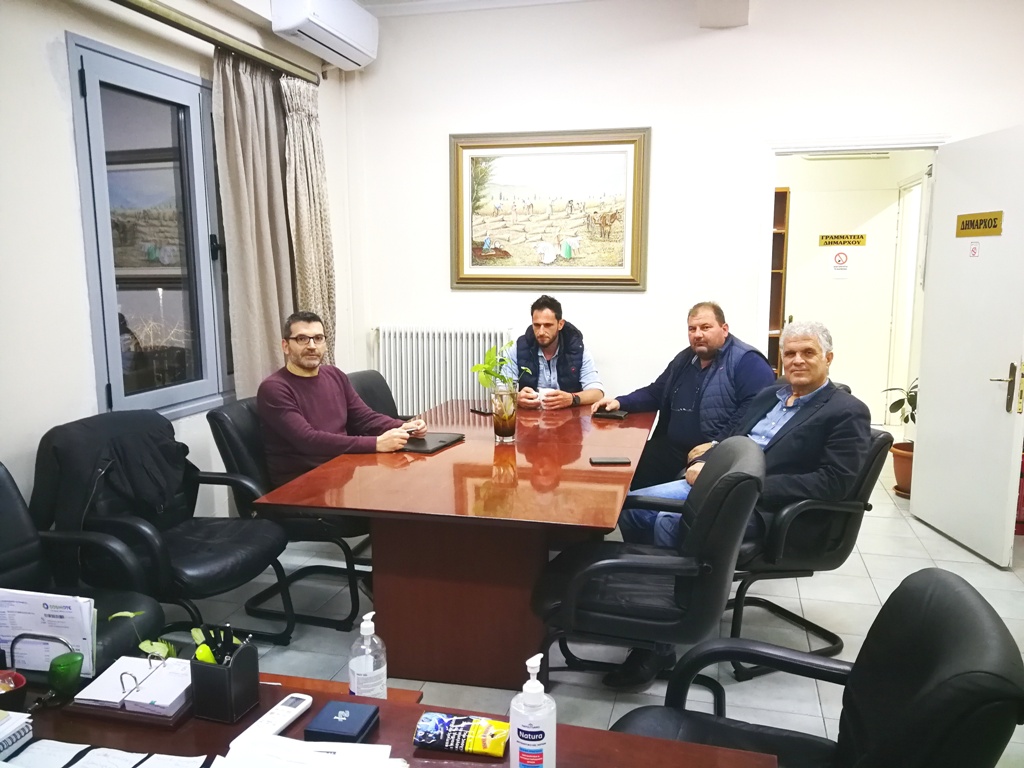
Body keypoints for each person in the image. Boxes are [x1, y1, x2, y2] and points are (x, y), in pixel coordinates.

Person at [605, 320, 871, 690]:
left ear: (828, 358)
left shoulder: (846, 411)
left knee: (668, 522)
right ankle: (649, 604)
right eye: (790, 353)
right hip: (721, 481)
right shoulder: (772, 395)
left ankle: (661, 642)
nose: (797, 360)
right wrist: (709, 456)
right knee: (633, 506)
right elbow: (733, 437)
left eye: (808, 352)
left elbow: (835, 482)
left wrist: (749, 484)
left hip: (767, 506)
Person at [592, 302, 775, 490]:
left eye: (705, 327)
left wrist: (715, 445)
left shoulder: (748, 361)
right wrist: (620, 402)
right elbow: (657, 391)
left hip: (710, 455)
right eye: (692, 329)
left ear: (724, 329)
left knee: (638, 492)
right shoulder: (686, 358)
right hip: (672, 448)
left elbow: (752, 412)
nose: (698, 334)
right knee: (620, 467)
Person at [257, 311, 427, 486]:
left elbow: (364, 418)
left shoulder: (334, 374)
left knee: (412, 482)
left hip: (342, 470)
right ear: (285, 346)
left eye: (318, 338)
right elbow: (308, 440)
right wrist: (376, 443)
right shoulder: (274, 388)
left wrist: (403, 426)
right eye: (302, 339)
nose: (312, 346)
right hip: (301, 483)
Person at [502, 295, 604, 410]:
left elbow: (597, 393)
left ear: (560, 324)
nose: (541, 332)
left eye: (548, 325)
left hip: (568, 417)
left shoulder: (577, 348)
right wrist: (516, 397)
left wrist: (572, 399)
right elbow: (501, 388)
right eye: (536, 325)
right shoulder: (519, 347)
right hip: (530, 417)